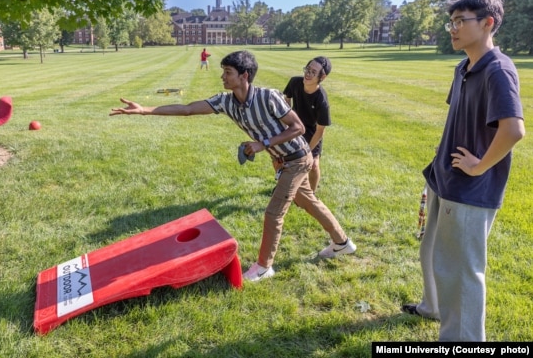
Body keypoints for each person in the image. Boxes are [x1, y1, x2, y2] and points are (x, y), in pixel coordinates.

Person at [110, 50, 356, 282]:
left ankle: (263, 267)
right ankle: (342, 243)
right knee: (308, 200)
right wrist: (145, 111)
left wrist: (264, 143)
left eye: (228, 72)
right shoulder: (227, 102)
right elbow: (187, 109)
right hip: (282, 159)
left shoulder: (268, 97)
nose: (222, 76)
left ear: (244, 75)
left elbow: (299, 128)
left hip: (298, 158)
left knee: (273, 213)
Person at [401, 0, 525, 341]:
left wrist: (479, 166)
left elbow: (514, 130)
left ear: (488, 23)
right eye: (451, 21)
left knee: (462, 271)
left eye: (461, 21)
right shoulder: (464, 67)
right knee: (432, 251)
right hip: (444, 179)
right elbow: (459, 118)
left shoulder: (498, 70)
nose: (453, 28)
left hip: (470, 189)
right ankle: (432, 307)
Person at [283, 56, 332, 193]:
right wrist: (288, 121)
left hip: (313, 132)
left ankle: (311, 194)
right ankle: (285, 188)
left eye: (313, 72)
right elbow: (287, 99)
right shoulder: (295, 82)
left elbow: (320, 130)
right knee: (288, 160)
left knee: (313, 164)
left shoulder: (321, 100)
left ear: (322, 77)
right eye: (307, 69)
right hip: (295, 127)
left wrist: (308, 150)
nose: (308, 74)